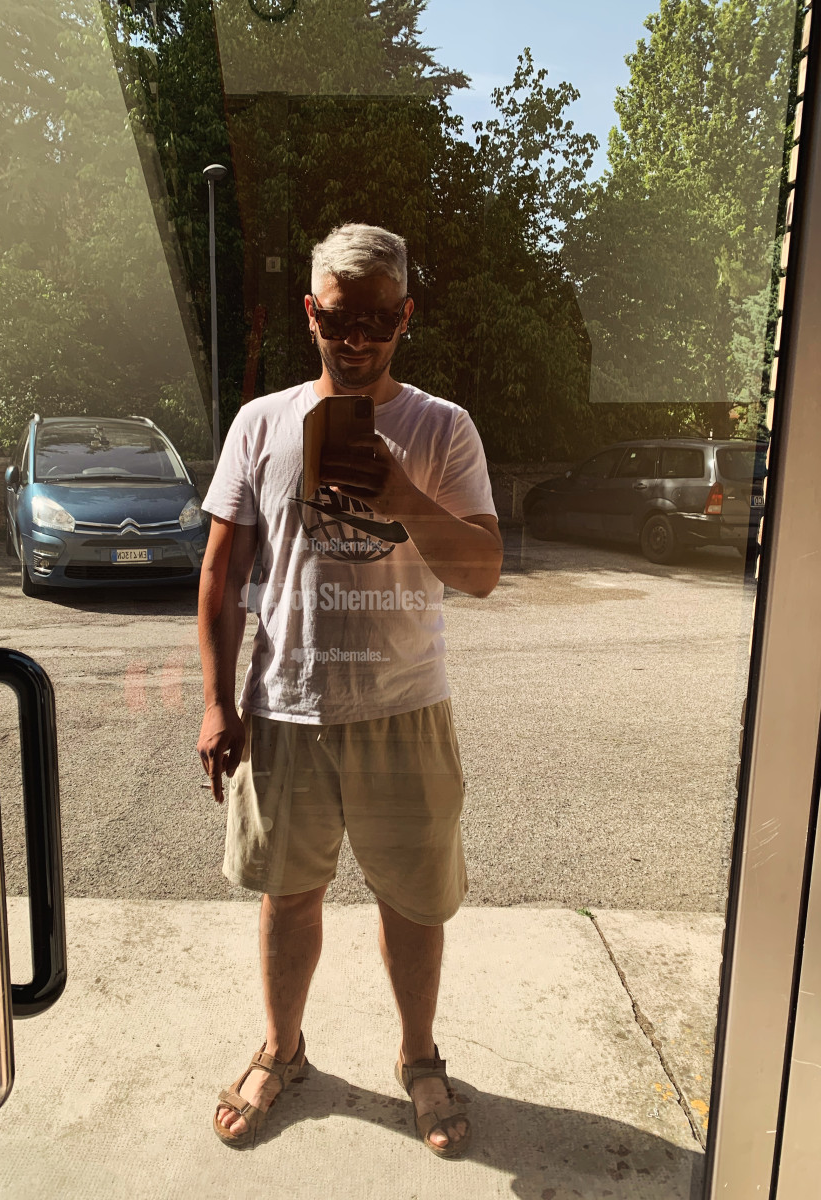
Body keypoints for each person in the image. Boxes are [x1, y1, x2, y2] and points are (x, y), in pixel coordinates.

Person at [197, 223, 503, 1156]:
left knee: (413, 903)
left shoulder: (442, 428)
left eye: (377, 318)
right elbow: (221, 572)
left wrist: (401, 494)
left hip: (406, 707)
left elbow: (482, 572)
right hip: (285, 707)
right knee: (287, 896)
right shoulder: (262, 424)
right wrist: (218, 701)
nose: (356, 337)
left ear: (406, 317)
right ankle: (281, 1051)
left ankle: (419, 1057)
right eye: (338, 318)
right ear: (310, 313)